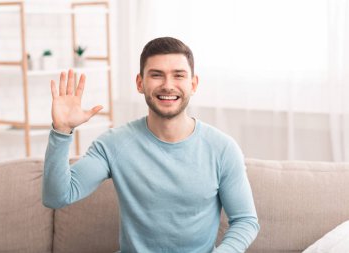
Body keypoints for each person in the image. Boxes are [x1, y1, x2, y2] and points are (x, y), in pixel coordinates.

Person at [43, 37, 260, 253]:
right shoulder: (112, 144)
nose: (167, 85)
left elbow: (245, 221)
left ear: (193, 84)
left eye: (179, 75)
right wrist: (61, 131)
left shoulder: (223, 149)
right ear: (140, 83)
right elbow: (57, 196)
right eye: (156, 75)